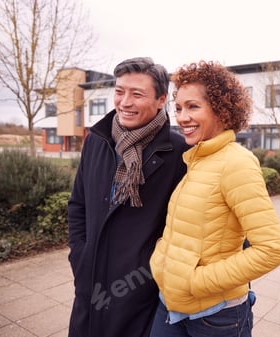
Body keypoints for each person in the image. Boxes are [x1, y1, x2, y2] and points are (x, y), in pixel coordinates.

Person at [149, 60, 280, 337]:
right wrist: (161, 259)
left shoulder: (237, 162)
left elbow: (271, 250)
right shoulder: (197, 158)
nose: (182, 117)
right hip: (171, 305)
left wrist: (195, 280)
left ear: (221, 110)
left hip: (216, 315)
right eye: (178, 108)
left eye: (193, 106)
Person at [67, 57, 190, 337]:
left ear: (161, 100)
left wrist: (151, 269)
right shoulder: (96, 140)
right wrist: (80, 255)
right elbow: (78, 205)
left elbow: (186, 223)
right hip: (91, 277)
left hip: (138, 288)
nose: (124, 102)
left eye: (137, 94)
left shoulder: (179, 151)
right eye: (120, 91)